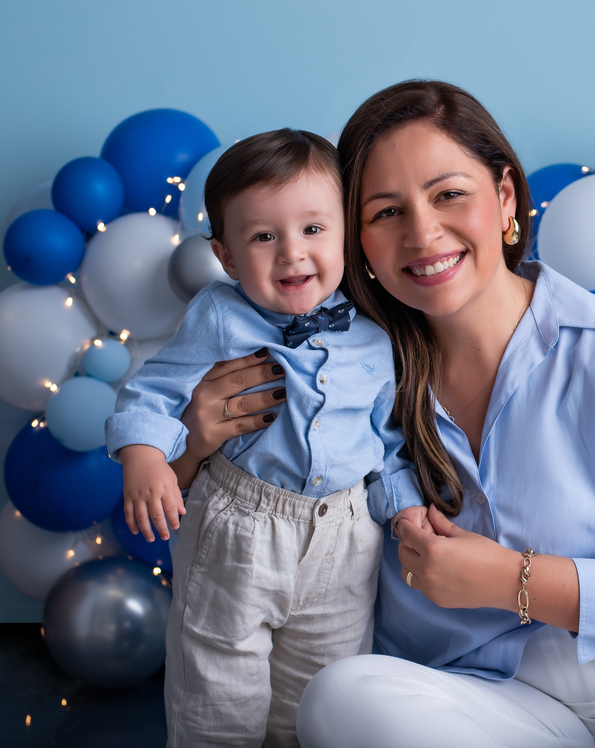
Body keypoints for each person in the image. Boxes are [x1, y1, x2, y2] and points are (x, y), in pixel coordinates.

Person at [174, 82, 595, 747]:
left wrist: (511, 581)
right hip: (484, 703)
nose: (423, 232)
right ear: (357, 240)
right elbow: (236, 518)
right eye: (386, 212)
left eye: (449, 194)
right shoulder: (338, 374)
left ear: (505, 198)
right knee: (339, 700)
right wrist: (195, 445)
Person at [106, 129, 431, 747]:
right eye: (263, 237)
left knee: (320, 700)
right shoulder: (218, 315)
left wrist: (406, 509)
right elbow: (154, 390)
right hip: (241, 527)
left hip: (345, 537)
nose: (292, 254)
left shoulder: (374, 337)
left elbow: (386, 441)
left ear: (346, 234)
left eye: (313, 229)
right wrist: (145, 457)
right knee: (218, 697)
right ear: (226, 257)